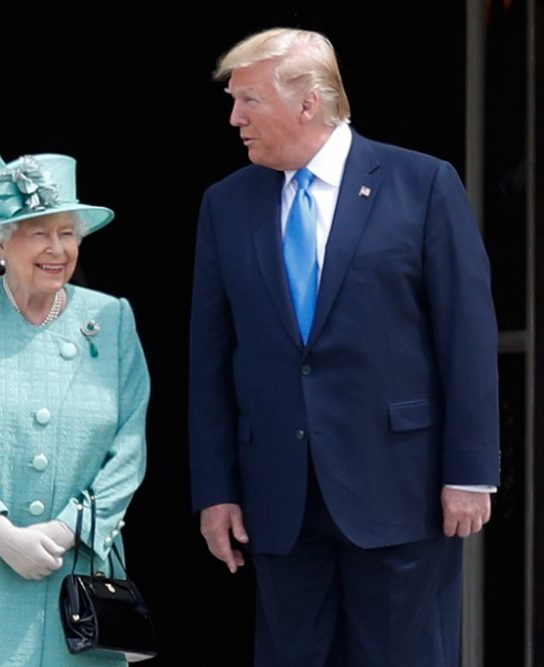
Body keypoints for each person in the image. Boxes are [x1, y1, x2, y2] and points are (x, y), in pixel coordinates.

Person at [188, 28, 499, 666]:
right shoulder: (226, 204)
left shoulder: (423, 184)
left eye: (248, 100)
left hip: (401, 493)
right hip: (279, 498)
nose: (234, 118)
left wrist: (470, 472)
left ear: (307, 103)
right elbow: (211, 360)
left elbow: (466, 341)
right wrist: (214, 488)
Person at [0, 147, 150, 666]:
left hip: (78, 576)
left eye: (67, 234)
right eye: (38, 232)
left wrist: (67, 529)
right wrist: (0, 534)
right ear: (0, 242)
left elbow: (129, 450)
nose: (57, 249)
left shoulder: (112, 320)